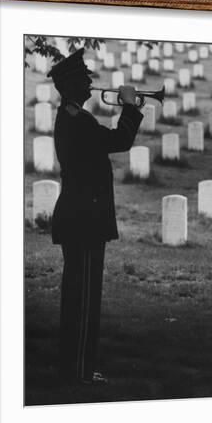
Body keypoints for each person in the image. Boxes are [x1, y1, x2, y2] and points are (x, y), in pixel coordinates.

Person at [47, 47, 144, 385]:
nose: (90, 84)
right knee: (84, 300)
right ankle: (78, 372)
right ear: (72, 86)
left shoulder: (74, 118)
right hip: (84, 221)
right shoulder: (77, 122)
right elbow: (120, 140)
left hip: (81, 218)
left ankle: (78, 368)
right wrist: (130, 105)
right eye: (84, 79)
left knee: (80, 296)